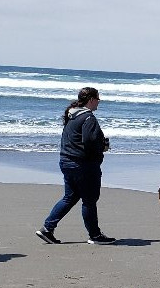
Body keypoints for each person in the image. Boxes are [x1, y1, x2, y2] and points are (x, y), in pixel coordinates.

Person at [35, 87, 116, 245]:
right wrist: (102, 146)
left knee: (70, 197)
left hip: (67, 162)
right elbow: (90, 142)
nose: (99, 101)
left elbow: (76, 140)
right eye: (98, 98)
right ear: (91, 100)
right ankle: (95, 235)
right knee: (89, 200)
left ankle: (47, 228)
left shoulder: (72, 115)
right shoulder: (87, 118)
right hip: (82, 165)